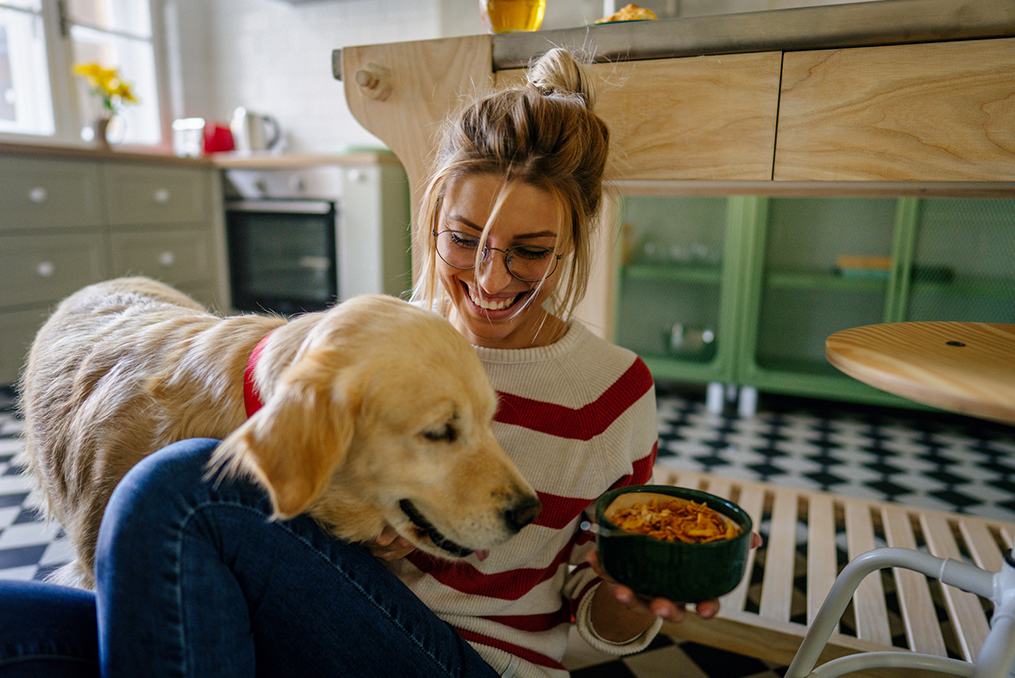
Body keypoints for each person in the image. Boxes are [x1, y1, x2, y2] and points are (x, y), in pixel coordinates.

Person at [0, 47, 747, 678]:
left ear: (574, 240)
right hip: (304, 625)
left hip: (466, 660)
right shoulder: (390, 348)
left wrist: (628, 597)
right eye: (463, 240)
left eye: (529, 251)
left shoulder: (612, 393)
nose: (490, 279)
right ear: (430, 218)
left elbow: (588, 632)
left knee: (180, 487)